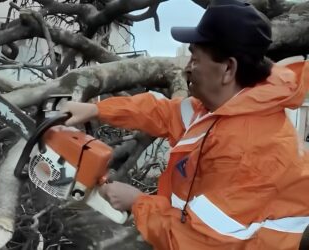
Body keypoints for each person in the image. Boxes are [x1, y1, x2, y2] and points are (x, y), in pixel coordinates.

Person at [61, 0, 309, 249]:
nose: (188, 67)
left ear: (227, 69)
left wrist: (137, 201)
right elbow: (160, 111)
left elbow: (199, 243)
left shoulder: (248, 151)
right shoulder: (222, 108)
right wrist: (95, 109)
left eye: (195, 57)